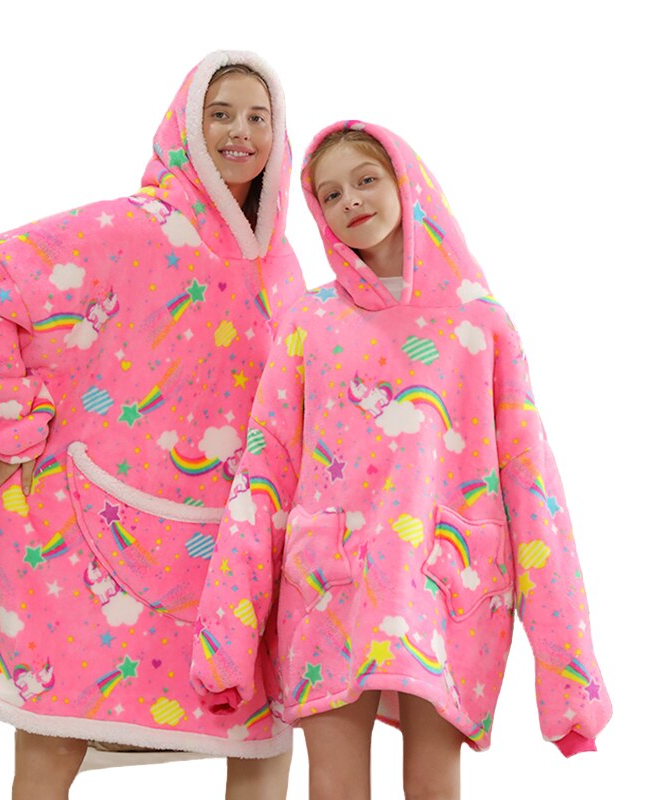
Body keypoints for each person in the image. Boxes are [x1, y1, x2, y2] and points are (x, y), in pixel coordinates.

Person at [190, 122, 612, 800]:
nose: (350, 201)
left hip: (445, 585)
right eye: (330, 194)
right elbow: (263, 474)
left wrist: (570, 677)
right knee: (334, 785)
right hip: (327, 585)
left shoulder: (478, 322)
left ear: (407, 183)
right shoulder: (310, 322)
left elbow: (533, 487)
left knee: (433, 784)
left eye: (365, 180)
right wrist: (226, 641)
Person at [0, 50, 305, 800]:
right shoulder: (128, 229)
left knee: (263, 734)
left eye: (258, 116)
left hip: (231, 549)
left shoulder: (282, 264)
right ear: (184, 127)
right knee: (56, 726)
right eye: (220, 113)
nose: (240, 130)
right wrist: (6, 421)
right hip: (94, 531)